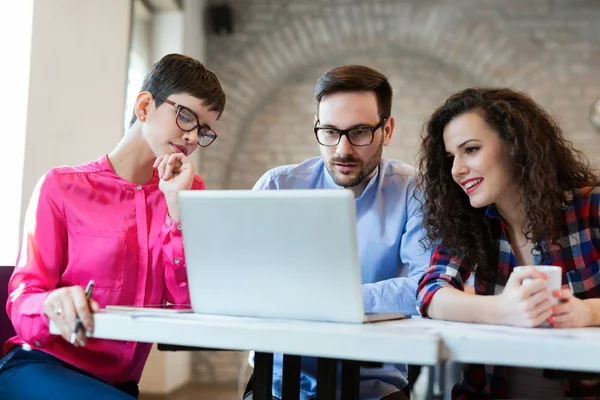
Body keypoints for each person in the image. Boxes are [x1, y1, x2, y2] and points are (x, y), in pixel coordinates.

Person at [0, 53, 226, 399]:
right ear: (144, 106)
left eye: (204, 130)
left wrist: (177, 210)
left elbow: (186, 301)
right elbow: (23, 296)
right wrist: (51, 304)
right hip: (41, 366)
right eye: (186, 117)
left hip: (118, 386)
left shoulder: (186, 192)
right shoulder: (61, 186)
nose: (193, 137)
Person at [243, 65, 432, 400]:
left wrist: (336, 300)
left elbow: (430, 286)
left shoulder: (413, 190)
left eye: (359, 132)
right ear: (316, 127)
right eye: (329, 132)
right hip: (279, 380)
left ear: (387, 130)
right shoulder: (277, 186)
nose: (342, 150)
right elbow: (245, 281)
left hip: (375, 385)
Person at [416, 87, 600, 399]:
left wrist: (588, 313)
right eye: (451, 157)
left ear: (516, 146)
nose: (456, 170)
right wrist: (502, 309)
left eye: (471, 149)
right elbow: (431, 293)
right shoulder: (467, 221)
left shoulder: (590, 207)